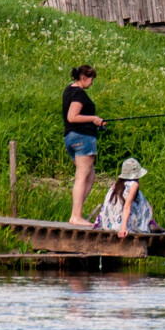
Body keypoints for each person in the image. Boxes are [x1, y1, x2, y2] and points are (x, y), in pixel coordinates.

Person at [63, 64, 105, 226]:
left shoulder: (68, 90)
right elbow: (72, 117)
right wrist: (94, 119)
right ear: (83, 78)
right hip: (83, 139)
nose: (92, 82)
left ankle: (77, 212)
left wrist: (97, 122)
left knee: (90, 175)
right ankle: (76, 216)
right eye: (91, 78)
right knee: (82, 176)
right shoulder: (79, 93)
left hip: (71, 138)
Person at [96, 157, 159, 238]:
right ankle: (150, 223)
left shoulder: (116, 184)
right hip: (121, 224)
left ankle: (151, 223)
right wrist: (123, 228)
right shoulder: (133, 185)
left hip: (109, 223)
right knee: (147, 205)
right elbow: (127, 207)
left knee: (141, 198)